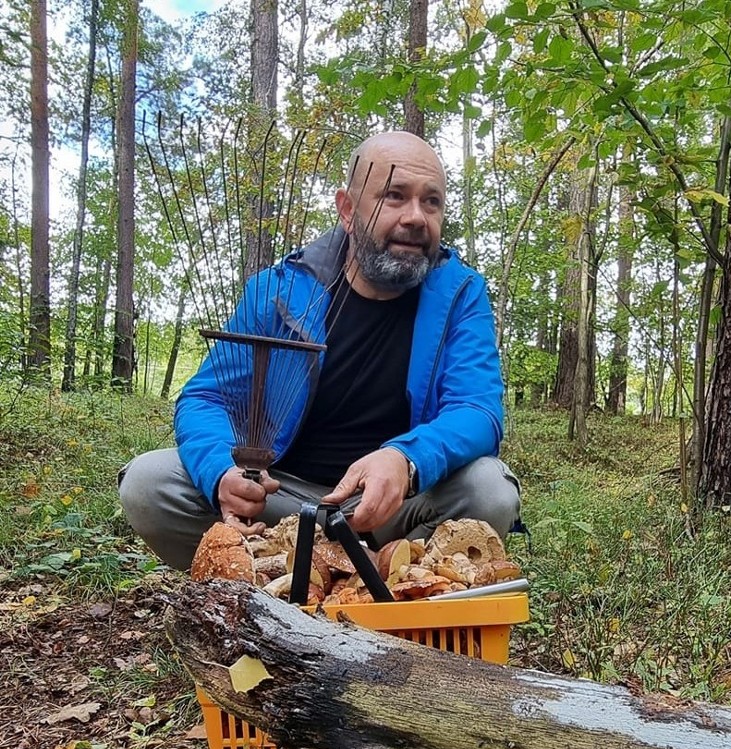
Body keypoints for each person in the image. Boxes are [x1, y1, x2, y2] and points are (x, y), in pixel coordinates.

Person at [119, 131, 521, 571]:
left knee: (489, 491)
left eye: (431, 202)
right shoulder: (279, 292)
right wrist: (220, 472)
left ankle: (392, 582)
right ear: (347, 210)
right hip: (283, 501)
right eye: (394, 196)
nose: (416, 218)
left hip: (395, 507)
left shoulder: (460, 294)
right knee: (149, 483)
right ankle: (273, 585)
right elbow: (208, 398)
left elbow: (477, 410)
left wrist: (406, 459)